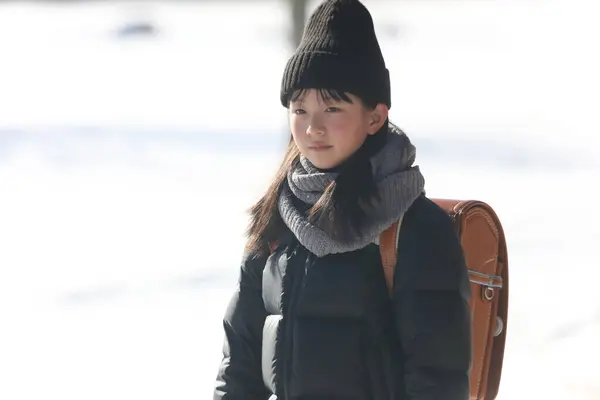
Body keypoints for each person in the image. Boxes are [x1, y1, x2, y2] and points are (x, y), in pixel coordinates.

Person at [213, 0, 472, 399]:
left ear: (375, 116)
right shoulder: (279, 217)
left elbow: (436, 379)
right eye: (300, 109)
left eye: (332, 107)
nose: (313, 127)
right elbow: (239, 367)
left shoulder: (416, 229)